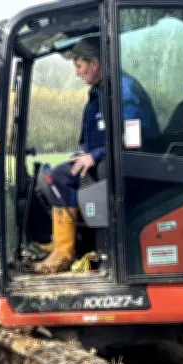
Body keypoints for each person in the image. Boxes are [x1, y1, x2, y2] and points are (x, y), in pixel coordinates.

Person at [33, 37, 160, 274]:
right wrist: (87, 153)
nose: (77, 73)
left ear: (95, 63)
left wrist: (95, 155)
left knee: (60, 177)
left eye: (79, 66)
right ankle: (63, 241)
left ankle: (64, 250)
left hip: (128, 163)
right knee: (60, 173)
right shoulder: (103, 89)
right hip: (107, 157)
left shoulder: (122, 89)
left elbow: (132, 135)